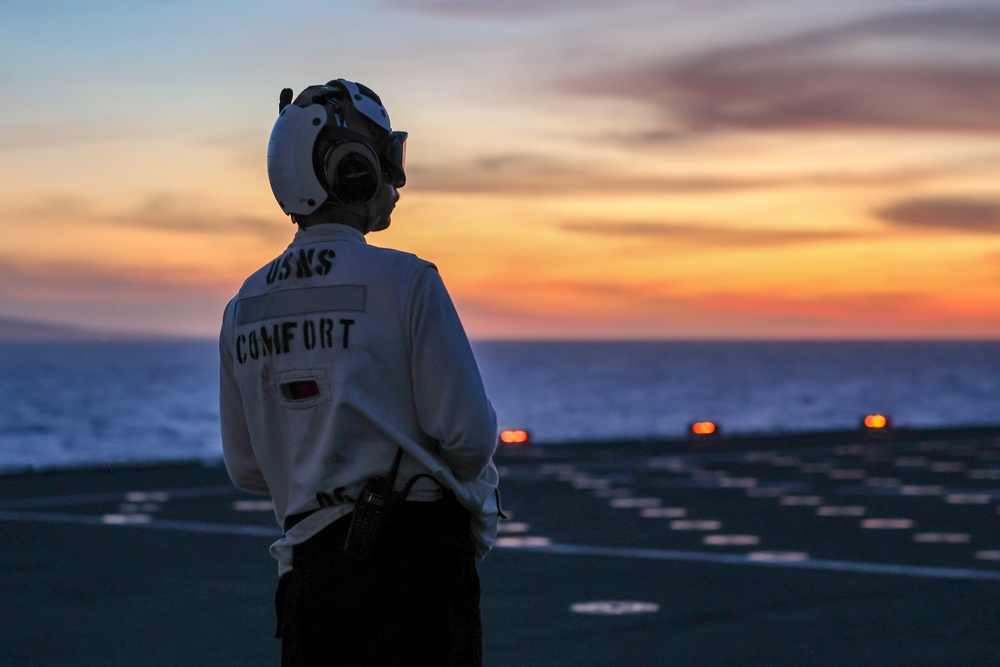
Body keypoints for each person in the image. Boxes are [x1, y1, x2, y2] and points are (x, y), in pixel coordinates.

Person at [218, 78, 502, 666]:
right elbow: (469, 439)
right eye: (386, 159)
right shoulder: (407, 281)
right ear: (354, 169)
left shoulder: (242, 306)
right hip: (415, 577)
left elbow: (248, 469)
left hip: (310, 583)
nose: (395, 181)